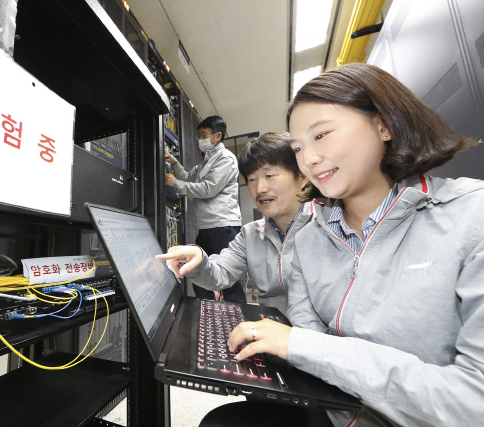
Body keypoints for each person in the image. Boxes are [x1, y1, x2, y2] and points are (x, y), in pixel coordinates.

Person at [206, 63, 484, 427]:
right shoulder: (307, 240)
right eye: (299, 147)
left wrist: (301, 346)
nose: (310, 158)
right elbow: (309, 339)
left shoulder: (471, 217)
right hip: (331, 410)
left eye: (321, 136)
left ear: (384, 125)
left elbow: (472, 403)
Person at [157, 132, 314, 314]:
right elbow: (221, 273)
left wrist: (292, 338)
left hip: (307, 338)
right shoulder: (251, 234)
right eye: (252, 179)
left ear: (302, 177)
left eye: (270, 175)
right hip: (270, 328)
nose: (260, 189)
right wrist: (198, 259)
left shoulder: (328, 227)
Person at [164, 115, 246, 304]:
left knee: (229, 281)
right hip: (208, 226)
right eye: (199, 136)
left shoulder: (225, 159)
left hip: (223, 226)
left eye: (203, 135)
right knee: (198, 273)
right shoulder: (206, 162)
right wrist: (175, 164)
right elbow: (188, 177)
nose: (200, 139)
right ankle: (206, 311)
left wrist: (176, 184)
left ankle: (240, 322)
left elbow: (209, 189)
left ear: (217, 136)